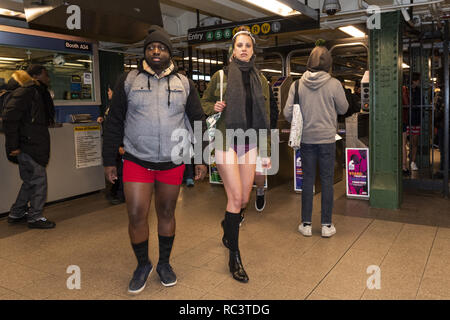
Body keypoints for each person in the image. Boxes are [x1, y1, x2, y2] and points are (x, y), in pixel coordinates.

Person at [103, 25, 207, 294]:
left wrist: (200, 158)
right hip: (137, 159)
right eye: (151, 48)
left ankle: (164, 264)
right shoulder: (128, 81)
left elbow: (197, 121)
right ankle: (142, 265)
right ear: (145, 53)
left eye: (161, 47)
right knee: (136, 213)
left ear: (169, 53)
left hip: (172, 162)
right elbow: (114, 121)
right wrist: (109, 159)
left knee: (166, 213)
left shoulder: (184, 83)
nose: (156, 51)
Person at [201, 27, 272, 283]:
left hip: (250, 140)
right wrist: (214, 105)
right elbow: (204, 102)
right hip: (225, 138)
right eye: (239, 45)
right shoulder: (220, 76)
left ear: (253, 50)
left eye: (248, 46)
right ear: (233, 49)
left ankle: (227, 225)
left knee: (243, 199)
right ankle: (235, 257)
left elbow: (266, 116)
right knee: (235, 197)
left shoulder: (260, 79)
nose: (244, 49)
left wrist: (266, 151)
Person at [284, 40, 348, 238]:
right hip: (327, 140)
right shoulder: (334, 84)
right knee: (327, 181)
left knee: (307, 181)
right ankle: (327, 225)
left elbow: (287, 113)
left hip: (306, 140)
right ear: (328, 64)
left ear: (308, 63)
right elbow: (344, 109)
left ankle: (306, 224)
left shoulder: (296, 85)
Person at [3, 66, 56, 229]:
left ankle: (17, 212)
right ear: (35, 76)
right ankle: (35, 217)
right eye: (46, 75)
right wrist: (13, 146)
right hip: (28, 145)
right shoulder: (27, 92)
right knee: (39, 180)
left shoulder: (34, 92)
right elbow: (9, 119)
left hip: (30, 143)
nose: (48, 78)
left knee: (29, 181)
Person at [254, 77, 278, 212]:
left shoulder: (262, 83)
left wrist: (270, 129)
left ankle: (260, 191)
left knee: (259, 169)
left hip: (260, 132)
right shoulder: (232, 84)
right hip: (238, 133)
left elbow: (273, 109)